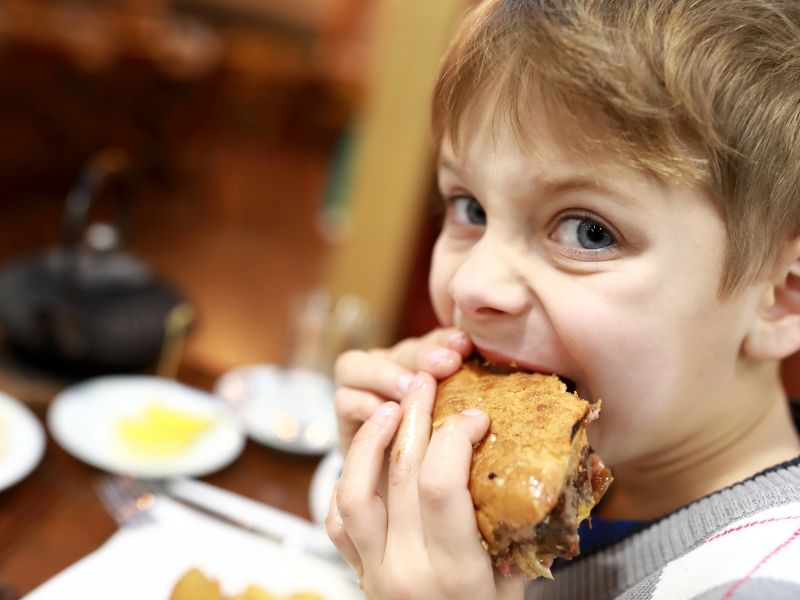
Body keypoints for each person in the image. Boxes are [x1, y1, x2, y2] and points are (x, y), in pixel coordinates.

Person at [325, 0, 800, 598]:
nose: (472, 284)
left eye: (588, 231)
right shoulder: (606, 464)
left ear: (782, 296)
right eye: (469, 207)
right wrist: (383, 500)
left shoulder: (761, 582)